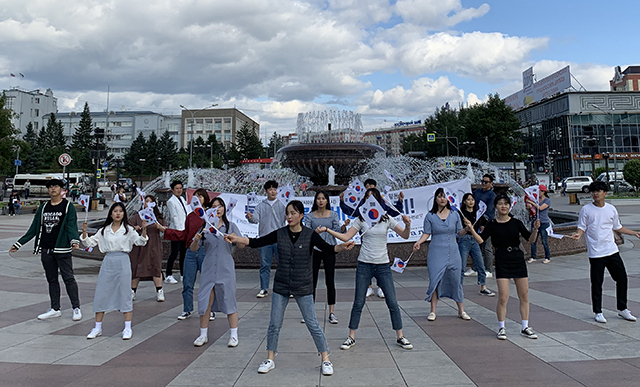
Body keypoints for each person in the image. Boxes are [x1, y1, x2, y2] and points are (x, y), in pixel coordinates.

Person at [225, 200, 354, 375]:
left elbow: (328, 248)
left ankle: (326, 358)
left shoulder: (310, 235)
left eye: (293, 213)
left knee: (312, 323)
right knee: (274, 324)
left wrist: (342, 246)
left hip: (303, 285)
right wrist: (236, 238)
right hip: (282, 285)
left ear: (301, 215)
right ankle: (270, 358)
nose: (289, 216)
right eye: (287, 213)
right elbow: (257, 242)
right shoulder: (280, 233)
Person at [320, 188, 414, 352]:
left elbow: (405, 236)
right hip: (364, 264)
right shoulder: (361, 219)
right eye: (368, 198)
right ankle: (351, 337)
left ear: (379, 201)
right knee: (358, 302)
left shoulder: (387, 219)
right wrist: (328, 230)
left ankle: (400, 336)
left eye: (374, 198)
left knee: (392, 301)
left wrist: (408, 226)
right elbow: (346, 237)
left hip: (383, 265)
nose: (371, 201)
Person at [465, 193, 541, 340]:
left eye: (506, 203)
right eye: (500, 203)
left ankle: (525, 326)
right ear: (496, 206)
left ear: (509, 205)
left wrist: (536, 229)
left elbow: (530, 239)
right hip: (502, 260)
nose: (503, 206)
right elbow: (481, 240)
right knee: (503, 297)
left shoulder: (516, 222)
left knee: (524, 295)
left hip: (517, 259)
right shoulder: (492, 224)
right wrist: (472, 229)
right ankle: (501, 327)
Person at [10, 178, 82, 321]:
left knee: (68, 278)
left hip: (62, 249)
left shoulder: (67, 207)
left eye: (56, 186)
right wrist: (19, 244)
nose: (53, 189)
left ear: (61, 190)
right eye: (50, 187)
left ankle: (76, 308)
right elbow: (34, 228)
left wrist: (74, 241)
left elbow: (71, 226)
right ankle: (55, 308)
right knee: (52, 279)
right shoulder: (43, 208)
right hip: (46, 249)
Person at [571, 181, 640, 323]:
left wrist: (633, 233)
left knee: (622, 279)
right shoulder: (586, 209)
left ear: (605, 193)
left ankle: (622, 309)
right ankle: (598, 311)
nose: (596, 193)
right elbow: (582, 226)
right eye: (594, 191)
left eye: (599, 191)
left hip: (611, 250)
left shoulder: (611, 209)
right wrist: (578, 234)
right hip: (596, 253)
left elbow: (617, 227)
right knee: (597, 282)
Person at [81, 202, 148, 340]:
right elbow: (90, 243)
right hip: (108, 261)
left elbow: (141, 242)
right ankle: (97, 327)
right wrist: (84, 232)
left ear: (124, 214)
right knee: (102, 293)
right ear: (111, 213)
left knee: (125, 293)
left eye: (120, 211)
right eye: (115, 211)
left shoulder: (128, 230)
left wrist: (145, 230)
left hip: (123, 261)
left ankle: (127, 327)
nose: (118, 213)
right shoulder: (104, 230)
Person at [339, 178, 404, 298]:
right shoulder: (362, 205)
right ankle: (368, 287)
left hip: (380, 238)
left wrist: (400, 201)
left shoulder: (383, 203)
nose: (370, 188)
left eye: (372, 186)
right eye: (367, 187)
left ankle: (380, 287)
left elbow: (394, 212)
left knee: (380, 261)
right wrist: (342, 202)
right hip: (366, 237)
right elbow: (351, 212)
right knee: (367, 261)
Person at [191, 197, 243, 347]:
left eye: (220, 206)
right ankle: (203, 334)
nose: (217, 209)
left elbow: (241, 245)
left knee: (229, 299)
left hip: (225, 268)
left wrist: (234, 239)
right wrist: (195, 240)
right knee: (205, 300)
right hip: (208, 268)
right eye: (214, 207)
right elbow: (194, 248)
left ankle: (233, 335)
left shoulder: (230, 226)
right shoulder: (205, 228)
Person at [413, 187, 471, 321]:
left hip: (453, 251)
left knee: (456, 280)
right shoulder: (430, 216)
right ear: (435, 199)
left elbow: (459, 233)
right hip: (436, 252)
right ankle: (433, 311)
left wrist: (467, 229)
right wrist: (419, 242)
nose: (442, 199)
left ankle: (461, 310)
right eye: (439, 196)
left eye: (445, 196)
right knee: (435, 279)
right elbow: (426, 233)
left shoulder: (455, 214)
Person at [163, 188, 211, 320]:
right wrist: (167, 231)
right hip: (191, 250)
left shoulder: (210, 215)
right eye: (195, 197)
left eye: (201, 196)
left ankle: (210, 309)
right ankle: (187, 309)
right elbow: (185, 234)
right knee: (188, 283)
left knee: (207, 282)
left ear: (206, 199)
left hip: (205, 250)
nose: (198, 199)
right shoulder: (190, 216)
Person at [303, 190, 348, 324]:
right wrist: (314, 233)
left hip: (329, 249)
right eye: (318, 198)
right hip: (315, 250)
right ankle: (310, 312)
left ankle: (332, 312)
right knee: (313, 281)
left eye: (323, 198)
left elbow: (337, 231)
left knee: (330, 280)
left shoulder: (333, 215)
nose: (321, 201)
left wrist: (344, 227)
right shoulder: (310, 216)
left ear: (327, 201)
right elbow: (306, 231)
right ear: (315, 201)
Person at [246, 180, 286, 298]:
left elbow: (288, 218)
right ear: (266, 191)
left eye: (274, 189)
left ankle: (284, 287)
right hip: (264, 239)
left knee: (283, 264)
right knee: (264, 264)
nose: (273, 192)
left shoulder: (282, 205)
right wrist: (250, 217)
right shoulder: (260, 205)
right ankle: (264, 288)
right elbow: (255, 219)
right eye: (270, 189)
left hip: (279, 238)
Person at [129, 195, 167, 302]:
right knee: (136, 266)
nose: (148, 204)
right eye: (146, 201)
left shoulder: (157, 217)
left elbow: (166, 229)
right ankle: (133, 291)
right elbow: (128, 227)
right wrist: (135, 228)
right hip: (139, 246)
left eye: (151, 201)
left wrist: (159, 227)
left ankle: (159, 290)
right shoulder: (138, 216)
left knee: (155, 266)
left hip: (153, 244)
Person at [457, 193, 495, 297]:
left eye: (472, 199)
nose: (471, 202)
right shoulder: (461, 213)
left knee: (480, 264)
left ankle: (483, 287)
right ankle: (458, 288)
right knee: (462, 265)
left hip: (474, 239)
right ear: (464, 202)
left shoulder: (477, 213)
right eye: (468, 200)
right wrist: (465, 227)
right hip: (464, 239)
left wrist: (482, 226)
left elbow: (483, 223)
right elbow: (458, 231)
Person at [467, 174, 496, 278]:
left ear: (491, 184)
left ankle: (489, 269)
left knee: (486, 247)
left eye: (486, 182)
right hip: (475, 222)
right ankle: (474, 267)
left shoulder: (492, 195)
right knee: (475, 246)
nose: (483, 183)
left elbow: (489, 211)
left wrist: (484, 223)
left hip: (486, 224)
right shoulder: (477, 192)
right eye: (482, 181)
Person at [165, 180, 191, 284]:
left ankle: (182, 274)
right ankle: (168, 274)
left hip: (184, 229)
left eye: (180, 188)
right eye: (177, 188)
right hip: (176, 230)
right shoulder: (171, 201)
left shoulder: (182, 199)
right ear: (172, 190)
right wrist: (180, 231)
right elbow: (174, 216)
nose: (179, 190)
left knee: (183, 253)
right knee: (174, 253)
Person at [527, 185, 551, 264]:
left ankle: (547, 257)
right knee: (533, 240)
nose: (538, 193)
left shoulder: (547, 200)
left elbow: (540, 208)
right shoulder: (535, 199)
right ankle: (533, 256)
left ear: (543, 192)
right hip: (535, 222)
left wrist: (531, 202)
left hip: (543, 222)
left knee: (544, 241)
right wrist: (529, 206)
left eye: (540, 191)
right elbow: (530, 208)